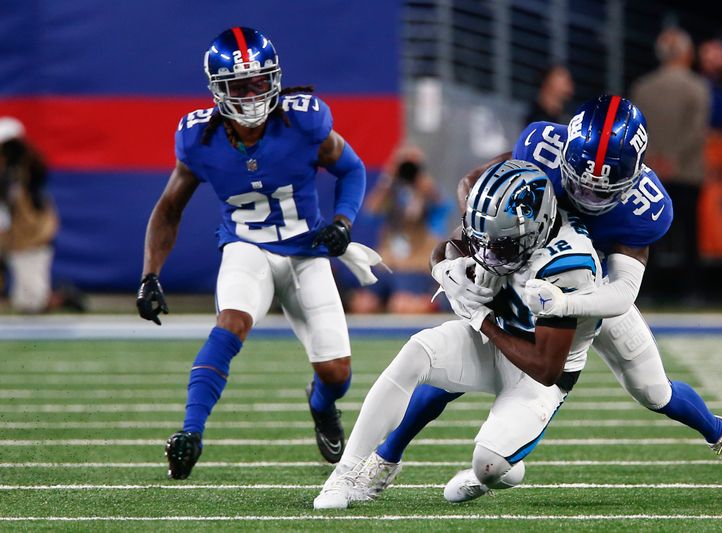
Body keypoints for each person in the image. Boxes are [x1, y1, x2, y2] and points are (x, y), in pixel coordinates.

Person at [363, 95, 722, 498]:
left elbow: (621, 293)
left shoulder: (646, 206)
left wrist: (564, 305)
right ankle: (388, 456)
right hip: (524, 269)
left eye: (602, 192)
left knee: (653, 391)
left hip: (592, 289)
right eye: (580, 184)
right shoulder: (543, 148)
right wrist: (477, 240)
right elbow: (476, 183)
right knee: (458, 359)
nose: (588, 199)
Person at [135, 27, 368, 479]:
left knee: (337, 374)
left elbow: (351, 168)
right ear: (218, 90)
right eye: (240, 86)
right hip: (247, 248)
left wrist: (342, 221)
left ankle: (320, 404)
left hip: (306, 252)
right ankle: (190, 432)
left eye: (260, 81)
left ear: (275, 79)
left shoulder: (305, 122)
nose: (252, 94)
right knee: (231, 323)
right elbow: (168, 210)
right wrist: (150, 275)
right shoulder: (199, 139)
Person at [314, 160, 603, 509]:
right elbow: (450, 245)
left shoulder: (569, 265)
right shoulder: (500, 222)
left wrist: (482, 321)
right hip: (497, 339)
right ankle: (344, 474)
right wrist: (445, 268)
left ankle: (495, 470)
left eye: (503, 245)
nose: (489, 253)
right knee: (416, 352)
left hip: (538, 376)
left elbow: (546, 367)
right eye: (486, 241)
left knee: (491, 465)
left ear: (536, 229)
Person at [630, 27, 710, 303]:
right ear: (686, 53)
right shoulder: (698, 86)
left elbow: (635, 128)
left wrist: (655, 158)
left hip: (650, 171)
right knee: (689, 235)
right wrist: (674, 159)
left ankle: (646, 290)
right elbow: (697, 131)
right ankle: (691, 291)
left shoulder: (643, 87)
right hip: (687, 172)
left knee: (649, 234)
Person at [347, 144, 451, 314]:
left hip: (414, 267)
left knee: (401, 305)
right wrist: (388, 178)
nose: (407, 171)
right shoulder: (389, 192)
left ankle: (429, 303)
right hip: (387, 265)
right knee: (363, 305)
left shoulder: (429, 193)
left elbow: (442, 213)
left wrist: (426, 187)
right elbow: (369, 213)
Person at [0, 117, 85, 314]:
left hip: (31, 239)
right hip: (11, 239)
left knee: (31, 303)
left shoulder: (28, 169)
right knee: (24, 301)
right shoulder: (9, 174)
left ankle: (63, 297)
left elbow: (28, 206)